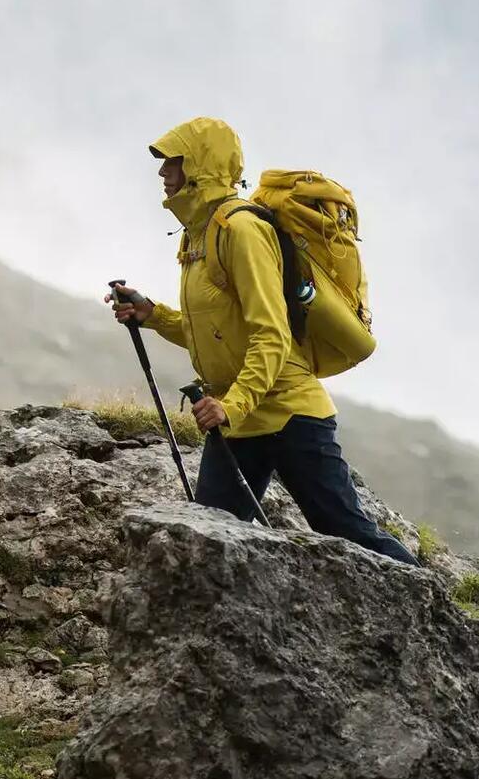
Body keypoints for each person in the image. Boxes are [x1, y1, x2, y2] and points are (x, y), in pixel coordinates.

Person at [110, 117, 416, 564]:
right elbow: (215, 330)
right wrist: (152, 315)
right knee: (205, 544)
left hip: (289, 412)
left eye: (172, 162)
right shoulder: (198, 236)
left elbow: (270, 334)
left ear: (200, 165)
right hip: (237, 418)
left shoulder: (241, 231)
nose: (163, 173)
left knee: (348, 533)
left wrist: (230, 406)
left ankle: (444, 618)